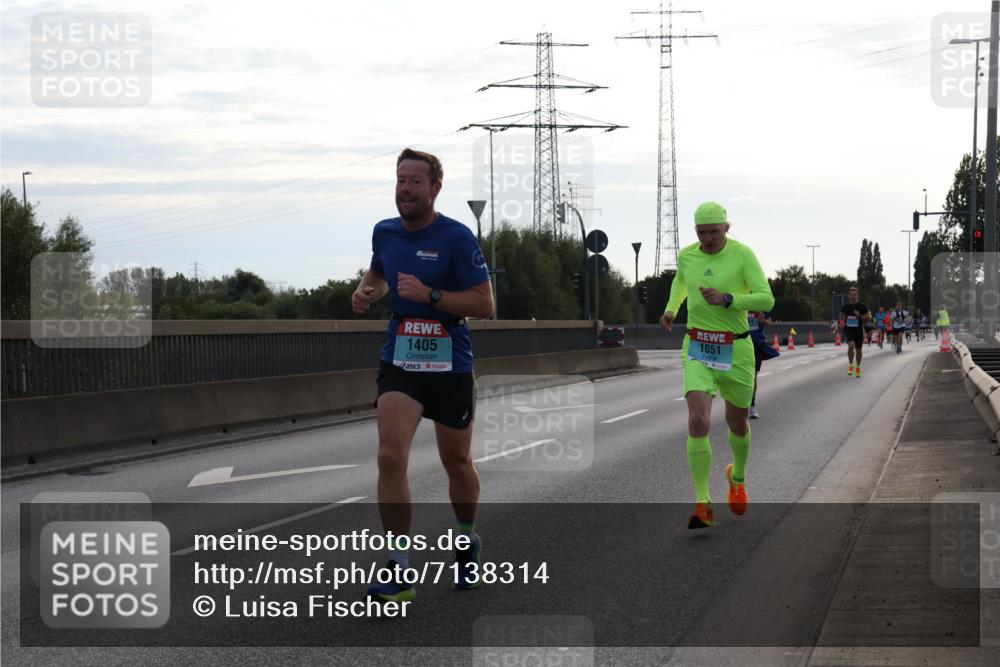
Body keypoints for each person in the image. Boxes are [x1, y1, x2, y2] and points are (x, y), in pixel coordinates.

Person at [352, 148, 494, 602]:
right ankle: (399, 568)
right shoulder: (385, 231)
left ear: (435, 188)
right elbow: (378, 270)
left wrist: (432, 295)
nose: (406, 189)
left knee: (457, 463)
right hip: (401, 360)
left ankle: (467, 540)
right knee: (390, 458)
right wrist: (367, 290)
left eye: (416, 181)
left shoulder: (456, 237)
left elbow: (485, 305)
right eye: (400, 180)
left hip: (450, 361)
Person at [660, 202, 774, 529]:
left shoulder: (742, 255)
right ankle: (703, 502)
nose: (707, 238)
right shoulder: (688, 256)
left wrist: (728, 299)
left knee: (737, 423)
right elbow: (681, 283)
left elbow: (766, 299)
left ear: (726, 227)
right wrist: (670, 310)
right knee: (698, 420)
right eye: (701, 232)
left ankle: (737, 478)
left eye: (713, 231)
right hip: (697, 344)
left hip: (736, 348)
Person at [748, 310, 779, 419]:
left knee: (753, 376)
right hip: (737, 342)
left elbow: (769, 322)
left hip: (756, 343)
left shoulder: (760, 301)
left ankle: (752, 406)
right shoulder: (737, 297)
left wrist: (763, 320)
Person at [838, 287, 871, 378]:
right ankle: (851, 365)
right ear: (849, 296)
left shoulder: (862, 306)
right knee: (851, 346)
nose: (853, 296)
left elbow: (868, 318)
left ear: (858, 295)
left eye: (855, 294)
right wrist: (841, 324)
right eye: (851, 295)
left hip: (859, 331)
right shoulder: (845, 307)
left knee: (859, 351)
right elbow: (841, 316)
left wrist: (859, 315)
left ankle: (858, 367)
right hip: (849, 330)